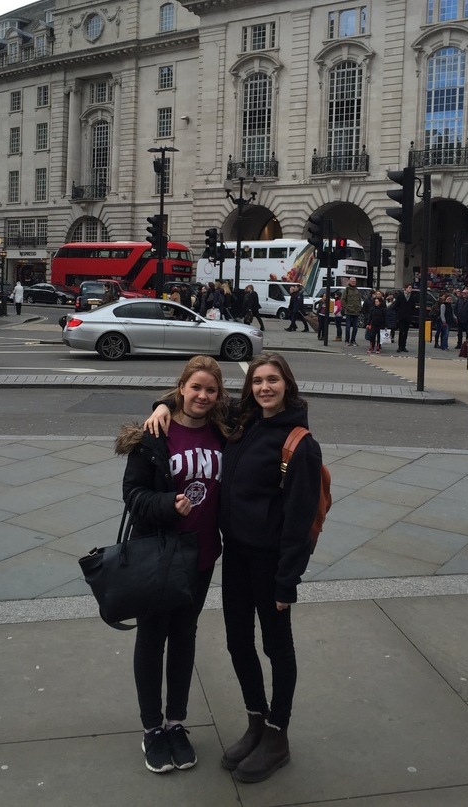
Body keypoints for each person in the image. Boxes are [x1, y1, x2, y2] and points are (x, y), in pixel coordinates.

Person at [146, 352, 322, 783]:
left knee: (277, 649)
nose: (264, 387)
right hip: (236, 557)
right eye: (258, 381)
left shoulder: (300, 442)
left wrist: (287, 581)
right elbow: (193, 395)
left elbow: (300, 522)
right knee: (238, 643)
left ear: (287, 385)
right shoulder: (241, 422)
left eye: (273, 381)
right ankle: (256, 721)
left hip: (271, 564)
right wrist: (162, 405)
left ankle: (278, 735)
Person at [116, 356, 229, 774]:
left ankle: (176, 722)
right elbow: (133, 494)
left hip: (201, 556)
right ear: (181, 387)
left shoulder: (223, 430)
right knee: (152, 638)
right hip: (159, 555)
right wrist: (167, 504)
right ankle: (151, 728)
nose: (202, 395)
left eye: (210, 390)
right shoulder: (156, 434)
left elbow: (268, 401)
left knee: (184, 636)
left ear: (219, 396)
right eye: (195, 387)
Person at [341, 277, 362, 346]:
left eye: (354, 281)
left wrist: (359, 308)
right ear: (349, 282)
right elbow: (343, 300)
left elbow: (359, 300)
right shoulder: (346, 290)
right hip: (349, 312)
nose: (353, 282)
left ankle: (353, 340)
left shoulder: (357, 290)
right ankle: (347, 341)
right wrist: (347, 308)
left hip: (356, 312)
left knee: (355, 328)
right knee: (348, 327)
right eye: (352, 281)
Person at [394, 283, 413, 352]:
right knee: (401, 332)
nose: (410, 289)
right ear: (406, 288)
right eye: (409, 287)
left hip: (408, 317)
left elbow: (412, 306)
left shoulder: (411, 296)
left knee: (406, 332)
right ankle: (400, 346)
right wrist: (398, 314)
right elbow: (396, 306)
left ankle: (404, 346)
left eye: (411, 288)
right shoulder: (400, 296)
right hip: (401, 317)